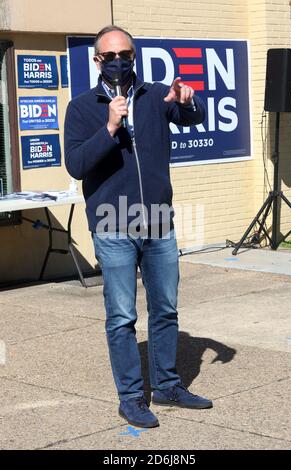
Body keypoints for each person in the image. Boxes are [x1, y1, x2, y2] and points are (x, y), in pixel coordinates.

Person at [64, 25, 213, 429]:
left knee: (165, 309)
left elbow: (191, 116)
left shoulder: (155, 95)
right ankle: (131, 397)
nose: (117, 62)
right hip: (113, 226)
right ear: (97, 60)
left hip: (158, 222)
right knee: (122, 316)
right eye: (109, 56)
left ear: (135, 56)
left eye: (124, 54)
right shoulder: (82, 107)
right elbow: (76, 165)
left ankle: (166, 385)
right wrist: (110, 127)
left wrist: (190, 99)